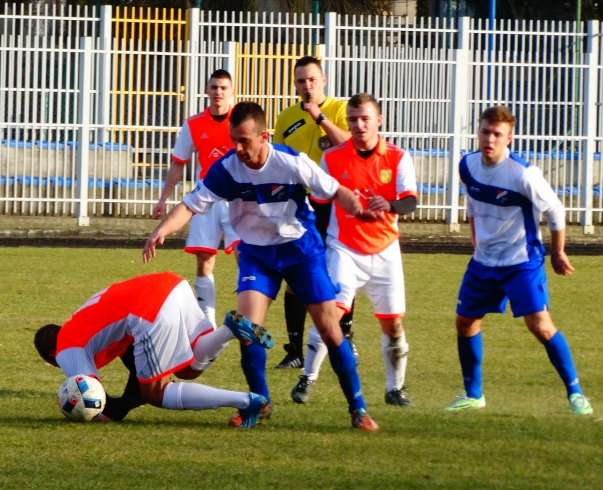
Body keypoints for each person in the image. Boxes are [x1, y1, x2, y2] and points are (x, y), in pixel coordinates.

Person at [144, 101, 381, 430]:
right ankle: (259, 403)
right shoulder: (226, 168)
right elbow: (189, 205)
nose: (238, 148)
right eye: (233, 140)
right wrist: (160, 231)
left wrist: (360, 210)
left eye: (245, 141)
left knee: (329, 329)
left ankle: (358, 407)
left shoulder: (290, 162)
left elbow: (336, 190)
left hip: (300, 250)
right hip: (256, 253)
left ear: (264, 136)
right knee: (247, 330)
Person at [445, 106, 594, 415]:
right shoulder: (467, 165)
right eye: (485, 132)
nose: (489, 139)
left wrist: (557, 251)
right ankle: (473, 395)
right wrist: (475, 234)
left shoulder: (523, 174)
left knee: (540, 326)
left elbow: (555, 210)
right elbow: (472, 200)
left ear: (508, 138)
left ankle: (576, 393)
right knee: (465, 322)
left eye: (497, 134)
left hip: (521, 262)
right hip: (484, 262)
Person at [294, 93, 418, 407]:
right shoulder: (333, 157)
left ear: (379, 120)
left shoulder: (397, 157)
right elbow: (319, 205)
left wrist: (389, 204)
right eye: (353, 119)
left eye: (365, 118)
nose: (359, 125)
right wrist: (315, 247)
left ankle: (395, 389)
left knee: (393, 324)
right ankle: (307, 377)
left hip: (385, 250)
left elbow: (410, 202)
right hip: (344, 249)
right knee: (330, 314)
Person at [33, 271, 269, 428]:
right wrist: (122, 407)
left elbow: (92, 397)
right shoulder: (82, 322)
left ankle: (246, 402)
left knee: (156, 393)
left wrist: (101, 413)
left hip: (147, 309)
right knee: (189, 370)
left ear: (53, 357)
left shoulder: (65, 349)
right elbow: (134, 366)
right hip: (172, 285)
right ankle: (229, 329)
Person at [272, 56, 353, 370]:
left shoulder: (339, 110)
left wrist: (319, 118)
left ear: (324, 80)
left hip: (332, 203)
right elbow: (276, 159)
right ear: (294, 84)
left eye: (312, 80)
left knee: (339, 272)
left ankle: (347, 336)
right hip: (298, 205)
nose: (307, 86)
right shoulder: (286, 116)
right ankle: (294, 349)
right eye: (301, 81)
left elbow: (349, 145)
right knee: (295, 275)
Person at [153, 69, 239, 326]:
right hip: (207, 197)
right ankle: (207, 325)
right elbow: (178, 163)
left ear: (232, 91)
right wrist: (163, 198)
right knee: (204, 261)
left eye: (224, 87)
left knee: (245, 257)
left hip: (238, 197)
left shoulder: (242, 119)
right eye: (214, 87)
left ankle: (247, 316)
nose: (219, 92)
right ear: (207, 91)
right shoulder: (193, 124)